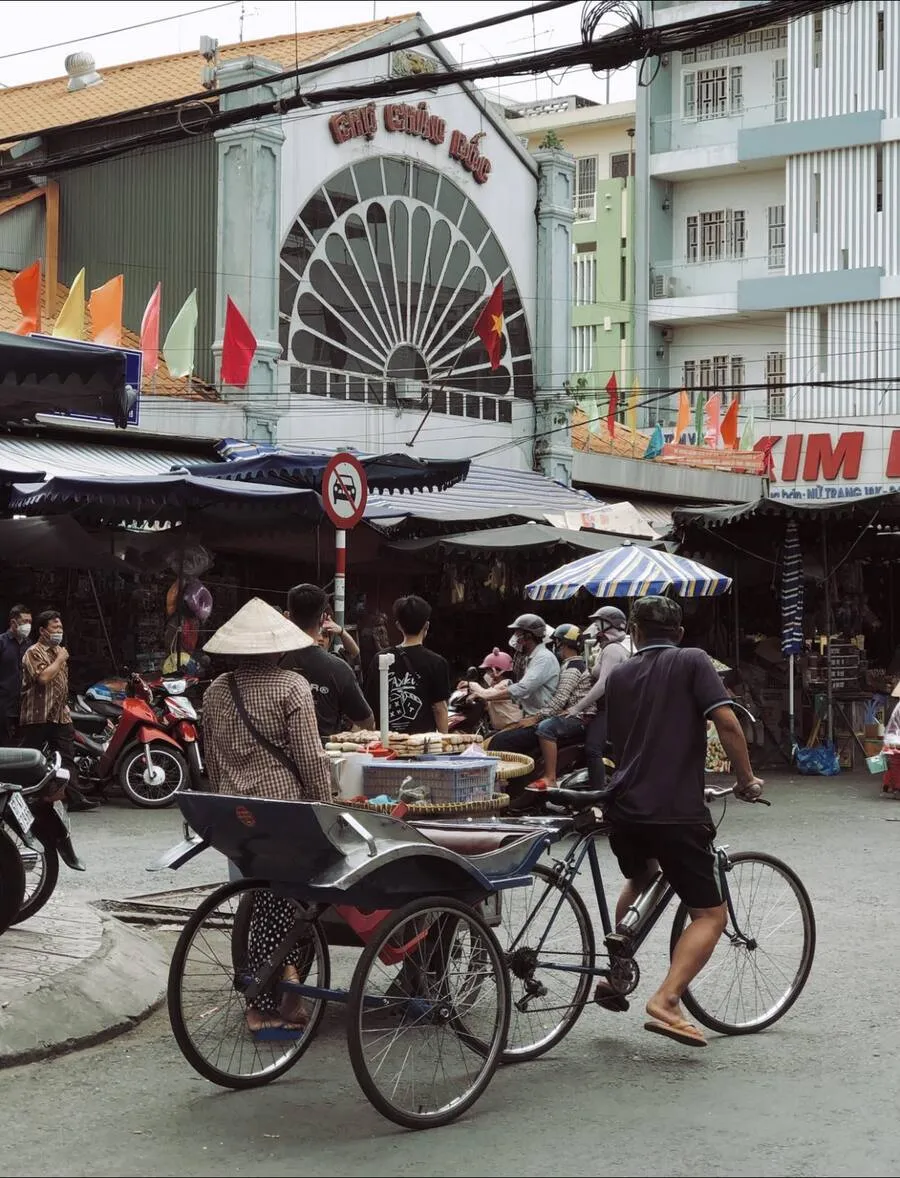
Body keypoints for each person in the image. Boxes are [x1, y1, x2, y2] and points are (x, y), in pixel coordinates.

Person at [599, 595, 764, 1049]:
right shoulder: (693, 660)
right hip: (673, 810)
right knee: (710, 914)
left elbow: (628, 741)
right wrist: (746, 779)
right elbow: (726, 723)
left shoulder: (621, 674)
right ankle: (668, 1000)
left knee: (642, 875)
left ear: (634, 632)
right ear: (680, 633)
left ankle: (617, 975)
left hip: (624, 805)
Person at [201, 597, 334, 1038]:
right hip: (283, 815)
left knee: (259, 902)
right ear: (278, 647)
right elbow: (312, 759)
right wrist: (325, 806)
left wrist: (223, 808)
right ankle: (262, 1004)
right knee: (285, 906)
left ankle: (285, 986)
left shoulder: (216, 690)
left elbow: (213, 760)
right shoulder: (292, 686)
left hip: (235, 816)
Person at [18, 609, 98, 812]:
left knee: (67, 756)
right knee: (31, 757)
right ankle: (22, 796)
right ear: (43, 631)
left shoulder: (58, 651)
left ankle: (75, 797)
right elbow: (43, 678)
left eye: (60, 627)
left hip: (60, 715)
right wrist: (60, 659)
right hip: (38, 714)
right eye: (55, 627)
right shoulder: (33, 652)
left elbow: (61, 684)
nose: (59, 631)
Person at [282, 584, 374, 739]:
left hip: (276, 759)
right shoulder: (338, 669)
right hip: (326, 756)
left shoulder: (275, 661)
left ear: (288, 616)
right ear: (323, 618)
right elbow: (367, 722)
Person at [473, 613, 560, 765]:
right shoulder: (531, 658)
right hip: (528, 718)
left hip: (540, 720)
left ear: (528, 636)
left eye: (518, 633)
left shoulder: (543, 658)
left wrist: (485, 696)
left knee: (499, 743)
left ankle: (505, 783)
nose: (516, 638)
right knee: (487, 738)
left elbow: (522, 688)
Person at [364, 595, 451, 734]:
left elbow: (370, 706)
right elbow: (439, 708)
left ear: (398, 626)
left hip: (388, 743)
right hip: (423, 744)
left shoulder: (380, 659)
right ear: (426, 626)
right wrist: (444, 742)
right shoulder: (437, 662)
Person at [568, 606, 633, 789]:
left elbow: (603, 684)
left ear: (608, 625)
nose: (595, 627)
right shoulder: (611, 648)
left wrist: (577, 707)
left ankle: (598, 795)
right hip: (610, 708)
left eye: (598, 623)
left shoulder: (613, 650)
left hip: (610, 709)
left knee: (593, 749)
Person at [0, 604, 31, 747]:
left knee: (20, 745)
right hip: (3, 704)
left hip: (24, 705)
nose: (28, 625)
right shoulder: (2, 643)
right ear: (13, 622)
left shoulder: (29, 645)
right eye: (25, 621)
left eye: (30, 622)